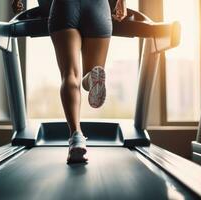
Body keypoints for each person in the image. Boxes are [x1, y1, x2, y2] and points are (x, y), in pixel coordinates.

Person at [12, 0, 127, 163]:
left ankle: (76, 138)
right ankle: (91, 78)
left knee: (70, 75)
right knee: (88, 74)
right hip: (98, 7)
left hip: (64, 6)